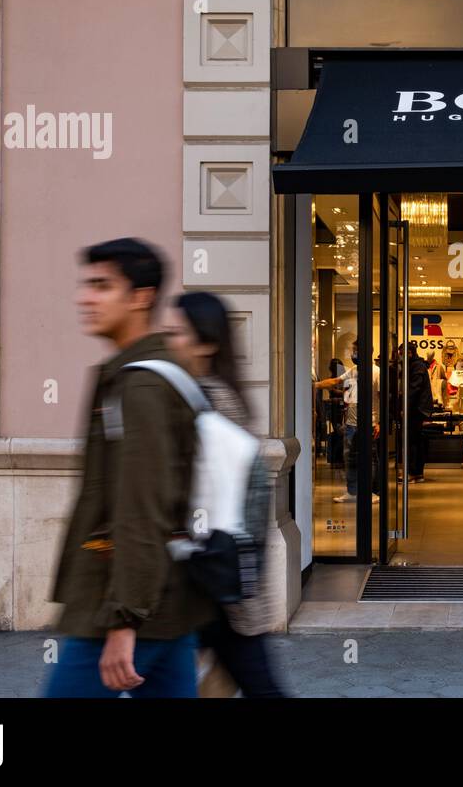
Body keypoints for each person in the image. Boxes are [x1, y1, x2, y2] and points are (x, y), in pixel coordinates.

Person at [46, 238, 214, 698]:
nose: (86, 297)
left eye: (102, 286)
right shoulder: (150, 373)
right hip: (166, 601)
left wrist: (124, 619)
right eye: (86, 285)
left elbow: (142, 506)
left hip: (125, 606)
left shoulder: (140, 384)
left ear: (140, 297)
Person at [167, 290, 286, 698]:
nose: (171, 341)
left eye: (179, 332)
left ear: (208, 342)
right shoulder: (209, 396)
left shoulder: (211, 402)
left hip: (213, 576)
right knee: (238, 676)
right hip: (214, 576)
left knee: (253, 679)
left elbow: (207, 497)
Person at [315, 340, 380, 504]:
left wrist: (378, 421)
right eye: (353, 351)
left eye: (356, 351)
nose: (353, 354)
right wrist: (315, 385)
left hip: (369, 422)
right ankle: (352, 491)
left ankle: (370, 492)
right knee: (349, 457)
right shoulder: (354, 370)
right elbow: (336, 381)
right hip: (351, 423)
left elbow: (381, 398)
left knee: (369, 458)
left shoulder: (376, 372)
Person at [402, 342, 434, 483]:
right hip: (417, 409)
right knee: (416, 441)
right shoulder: (416, 365)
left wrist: (404, 407)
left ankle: (413, 473)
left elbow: (413, 390)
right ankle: (416, 473)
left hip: (416, 409)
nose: (401, 356)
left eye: (404, 353)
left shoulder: (416, 366)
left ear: (410, 352)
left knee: (413, 441)